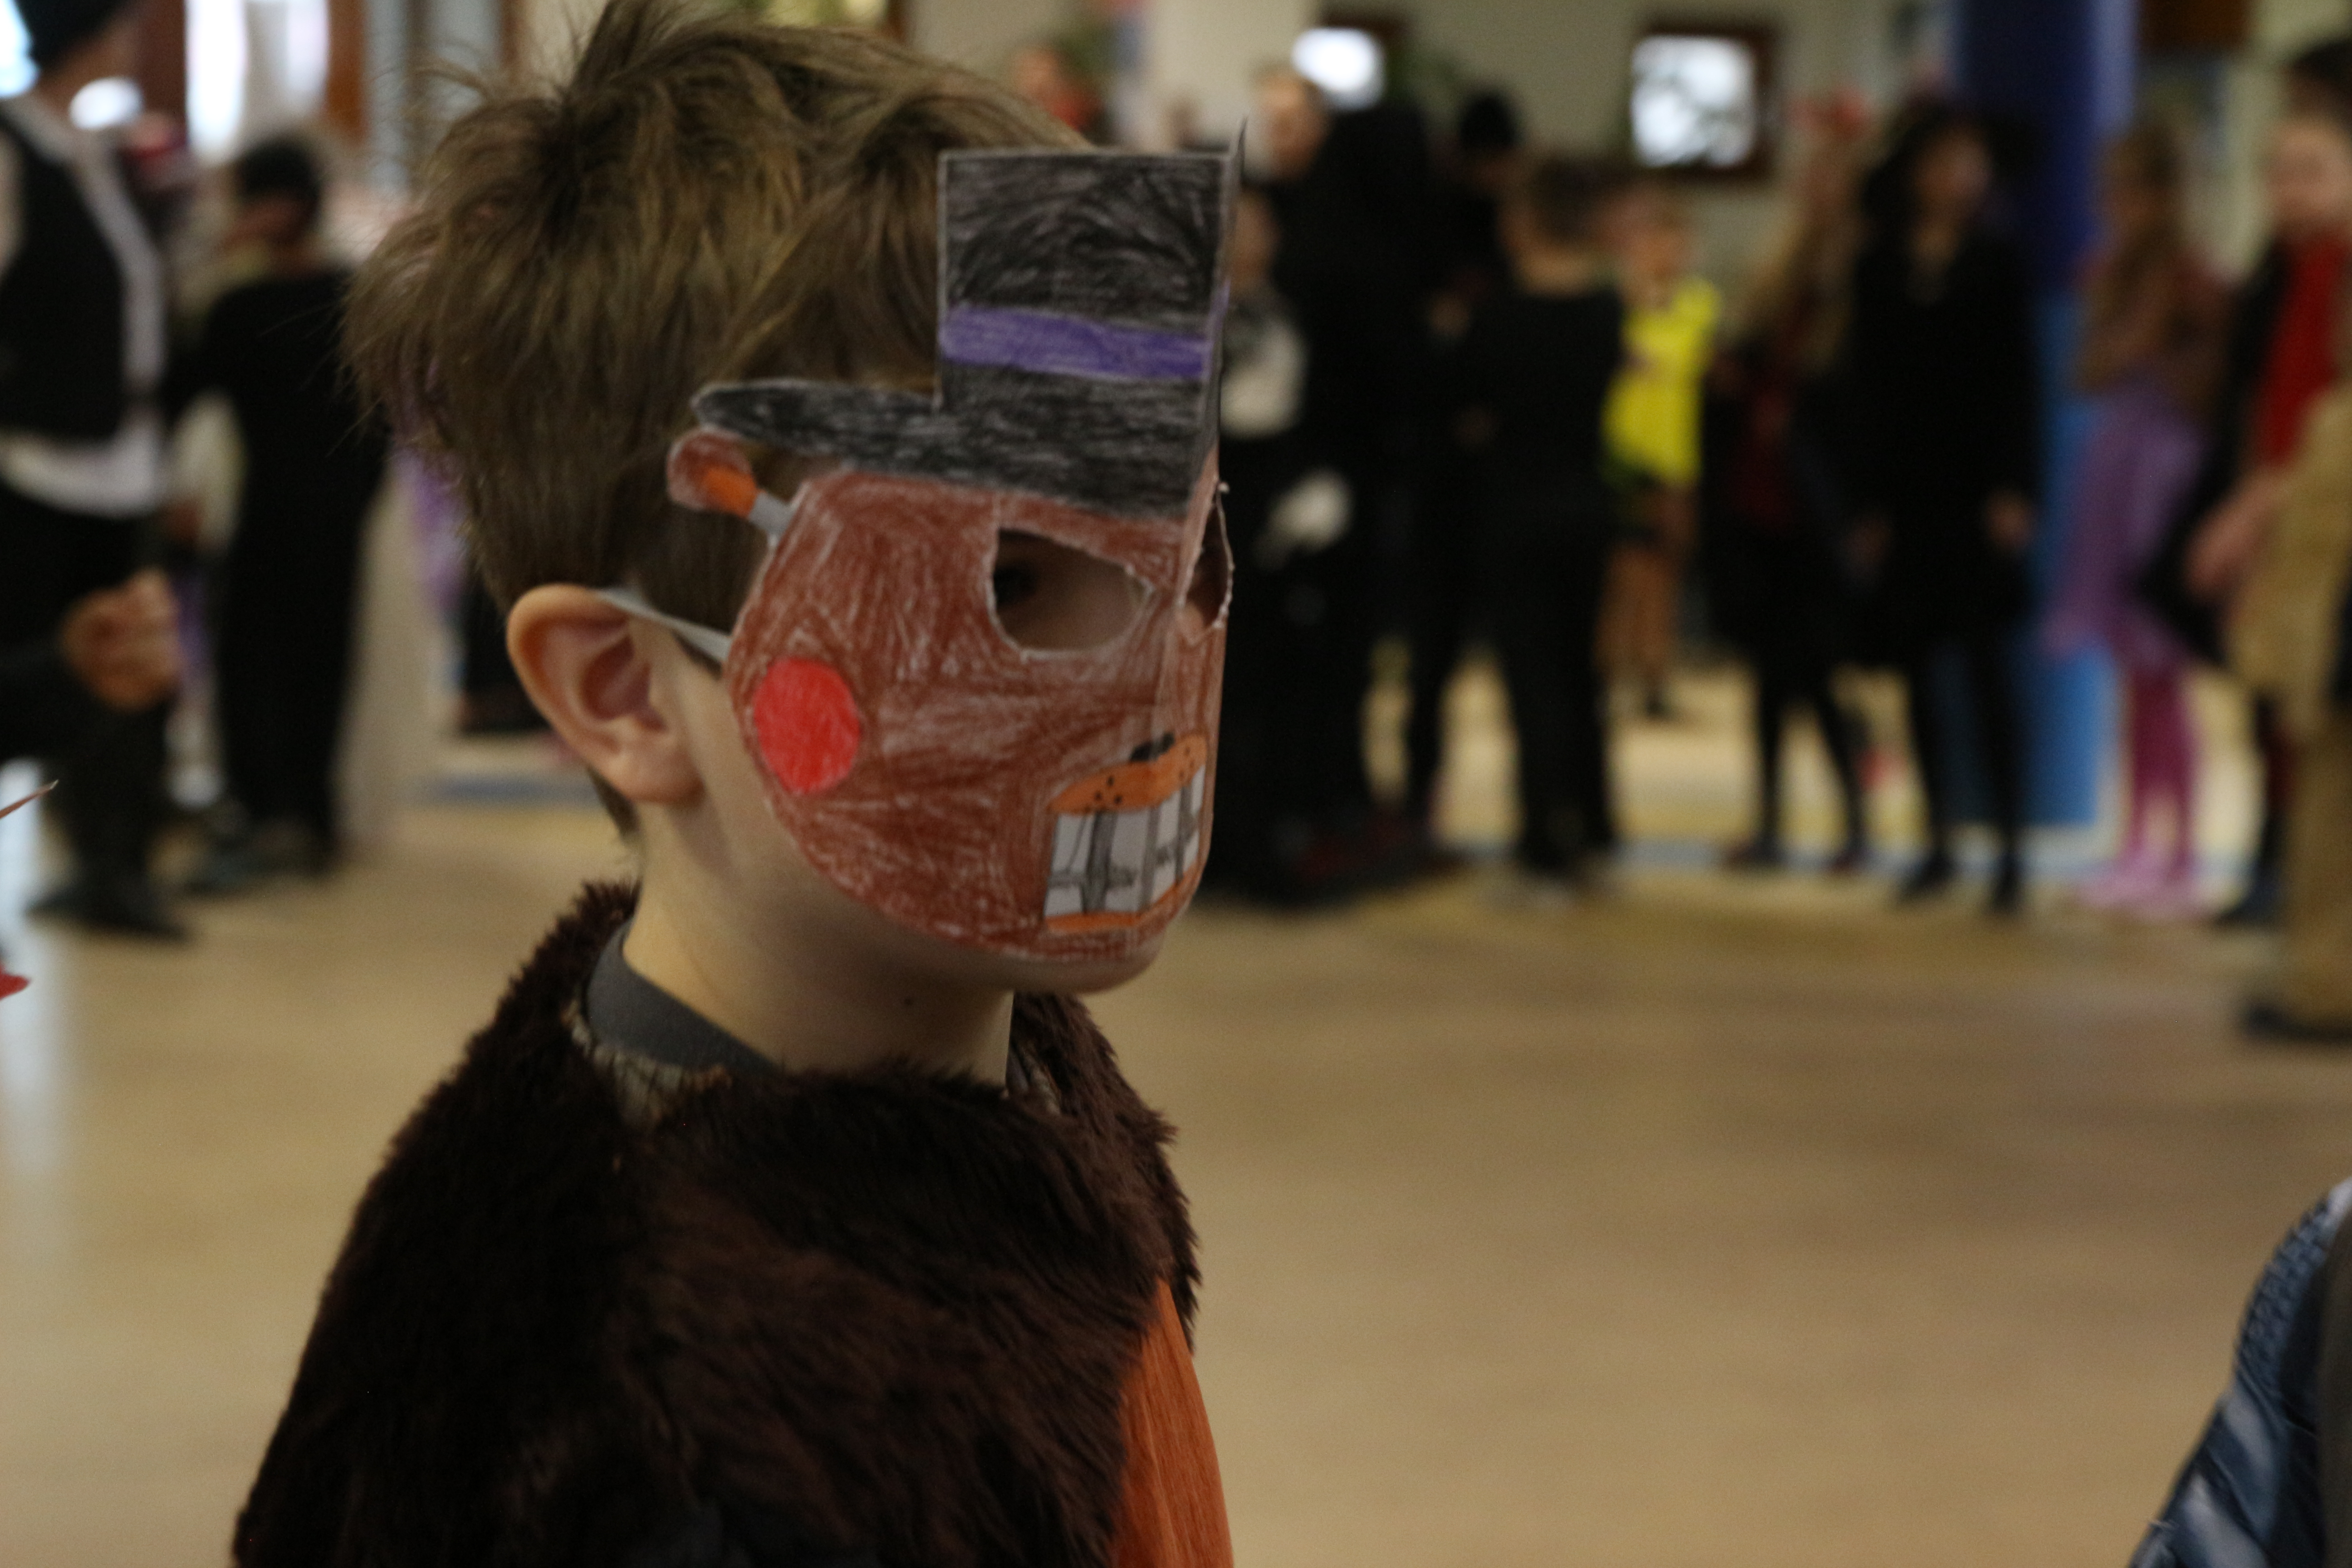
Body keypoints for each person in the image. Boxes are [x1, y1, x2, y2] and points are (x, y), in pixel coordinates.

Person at [232, 6, 1234, 1565]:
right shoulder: (665, 1436)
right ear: (628, 692)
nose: (1151, 678)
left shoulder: (1005, 1057)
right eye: (1012, 583)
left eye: (1182, 553)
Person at [2142, 51, 2352, 928]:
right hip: (2285, 506)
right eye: (2276, 171)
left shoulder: (2335, 272)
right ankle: (2285, 890)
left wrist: (2251, 508)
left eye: (2311, 170)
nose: (2287, 190)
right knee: (2277, 706)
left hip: (2319, 514)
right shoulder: (2285, 274)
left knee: (2313, 716)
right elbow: (2262, 400)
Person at [167, 136, 390, 891]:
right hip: (283, 506)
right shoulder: (251, 301)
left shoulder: (321, 297)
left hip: (302, 509)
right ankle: (276, 810)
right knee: (269, 658)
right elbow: (184, 388)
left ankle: (292, 811)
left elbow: (375, 416)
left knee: (298, 659)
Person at [0, 0, 179, 937]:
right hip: (34, 464)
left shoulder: (96, 150)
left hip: (126, 458)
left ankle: (115, 864)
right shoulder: (12, 147)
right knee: (30, 671)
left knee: (130, 661)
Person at [1848, 104, 2041, 916]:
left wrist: (2016, 487)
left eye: (1970, 164)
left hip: (1975, 491)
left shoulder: (1997, 263)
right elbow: (1867, 387)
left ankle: (2009, 849)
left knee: (1988, 672)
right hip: (1906, 492)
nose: (1958, 179)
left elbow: (2017, 385)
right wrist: (1866, 501)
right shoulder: (1878, 265)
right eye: (1943, 162)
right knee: (1917, 673)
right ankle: (1936, 840)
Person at [2043, 124, 2224, 920]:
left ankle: (2181, 854)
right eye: (2108, 189)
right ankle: (2134, 845)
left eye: (2130, 189)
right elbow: (2083, 373)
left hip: (2165, 472)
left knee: (2163, 672)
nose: (2115, 205)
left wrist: (2156, 345)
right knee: (2131, 678)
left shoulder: (2198, 281)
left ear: (2165, 196)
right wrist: (2119, 337)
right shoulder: (2110, 275)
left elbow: (2212, 391)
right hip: (2114, 463)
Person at [1441, 153, 1624, 889]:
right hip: (1587, 502)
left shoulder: (1499, 315)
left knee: (1532, 679)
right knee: (1582, 673)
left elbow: (1466, 411)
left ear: (1525, 222)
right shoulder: (1607, 309)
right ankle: (1594, 828)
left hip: (1516, 506)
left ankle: (1542, 842)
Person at [1704, 107, 1871, 875]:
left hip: (1814, 500)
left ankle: (1854, 821)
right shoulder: (1776, 274)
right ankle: (1770, 821)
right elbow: (1747, 361)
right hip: (1757, 491)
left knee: (1815, 671)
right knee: (1768, 675)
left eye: (1829, 177)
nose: (1814, 189)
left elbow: (1852, 400)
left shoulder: (1856, 281)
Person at [2229, 287, 2352, 1043]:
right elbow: (2304, 556)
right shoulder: (2332, 420)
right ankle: (2321, 981)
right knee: (2322, 827)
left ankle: (2327, 983)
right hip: (2333, 653)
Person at [1404, 90, 1521, 851]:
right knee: (1439, 656)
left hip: (1470, 477)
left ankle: (1432, 804)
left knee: (1451, 656)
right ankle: (1423, 803)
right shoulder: (1452, 230)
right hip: (1458, 480)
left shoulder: (1485, 231)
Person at [1601, 175, 1719, 722]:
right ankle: (1607, 675)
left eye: (1674, 241)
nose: (1663, 252)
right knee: (1620, 575)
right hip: (1620, 459)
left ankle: (1654, 679)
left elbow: (1689, 362)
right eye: (1651, 239)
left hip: (1677, 462)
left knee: (1663, 575)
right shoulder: (1609, 307)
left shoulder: (1700, 304)